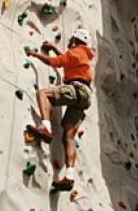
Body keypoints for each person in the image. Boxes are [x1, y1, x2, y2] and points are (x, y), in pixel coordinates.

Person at [25, 28, 95, 191]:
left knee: (43, 94)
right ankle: (69, 177)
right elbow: (67, 58)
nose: (70, 42)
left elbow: (54, 62)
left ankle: (46, 128)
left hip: (76, 89)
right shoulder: (82, 55)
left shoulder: (76, 52)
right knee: (68, 136)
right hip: (85, 97)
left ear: (76, 40)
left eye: (72, 40)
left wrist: (36, 55)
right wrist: (54, 48)